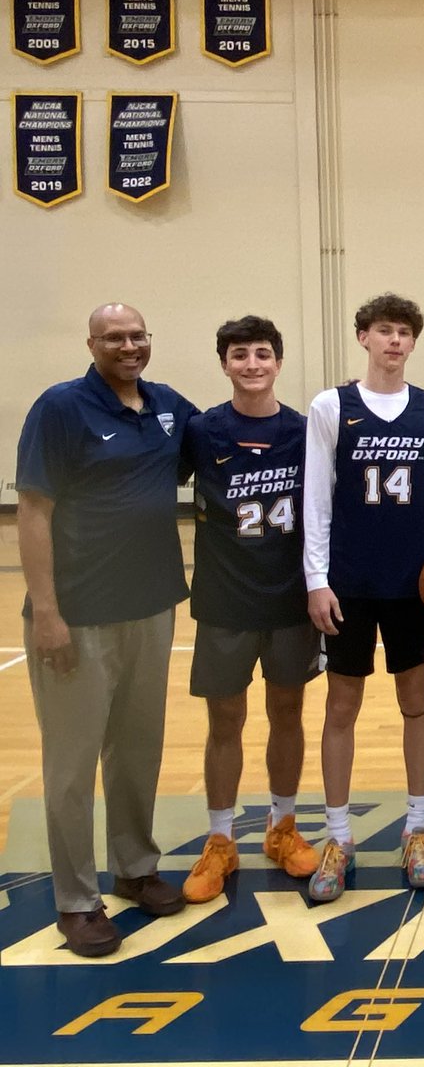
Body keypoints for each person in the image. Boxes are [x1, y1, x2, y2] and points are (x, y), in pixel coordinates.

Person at [303, 293, 424, 900]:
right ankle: (339, 837)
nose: (394, 341)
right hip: (349, 582)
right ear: (363, 337)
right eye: (384, 330)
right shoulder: (330, 406)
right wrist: (316, 579)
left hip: (413, 583)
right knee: (342, 707)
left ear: (413, 342)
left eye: (404, 332)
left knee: (417, 702)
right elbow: (316, 499)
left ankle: (418, 828)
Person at [16, 303, 196, 957]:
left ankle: (135, 867)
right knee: (72, 763)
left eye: (137, 335)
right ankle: (76, 901)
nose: (128, 346)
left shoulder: (168, 405)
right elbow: (33, 510)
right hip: (78, 613)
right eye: (114, 337)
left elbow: (227, 444)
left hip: (151, 606)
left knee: (138, 747)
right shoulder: (60, 408)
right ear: (91, 343)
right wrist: (47, 611)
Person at [179, 316, 321, 903]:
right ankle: (220, 839)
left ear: (279, 363)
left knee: (287, 712)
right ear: (225, 364)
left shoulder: (306, 431)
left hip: (290, 598)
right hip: (224, 600)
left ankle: (282, 827)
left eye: (263, 353)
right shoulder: (200, 431)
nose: (253, 364)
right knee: (224, 722)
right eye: (240, 355)